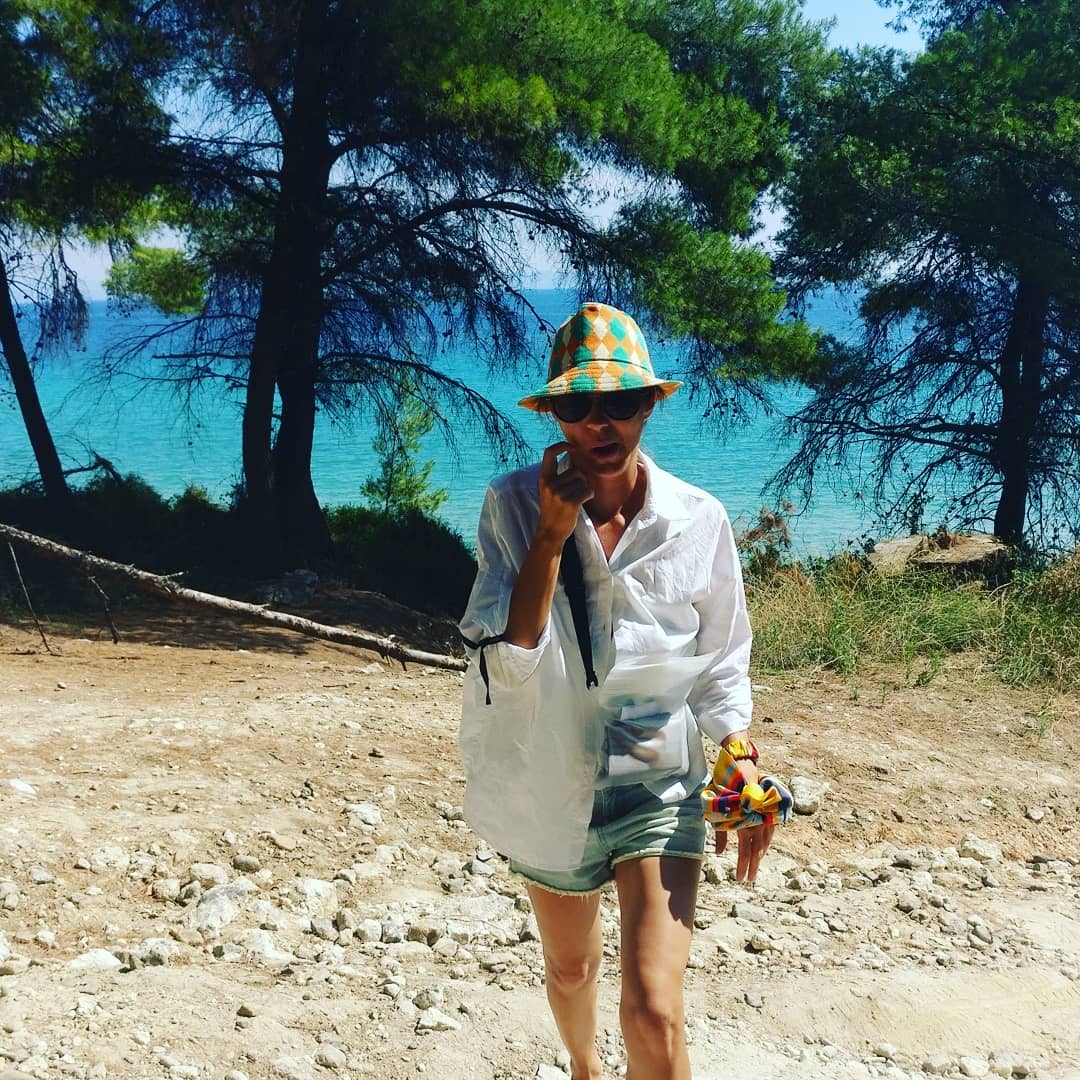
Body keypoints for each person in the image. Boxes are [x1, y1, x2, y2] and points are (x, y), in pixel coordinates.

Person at [458, 302, 775, 1080]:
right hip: (551, 778)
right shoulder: (513, 505)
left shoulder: (698, 519)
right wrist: (551, 532)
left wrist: (738, 752)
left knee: (655, 1010)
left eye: (622, 402)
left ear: (651, 406)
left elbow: (722, 655)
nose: (600, 424)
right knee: (571, 970)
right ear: (554, 415)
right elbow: (509, 656)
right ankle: (583, 1067)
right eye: (577, 406)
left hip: (656, 778)